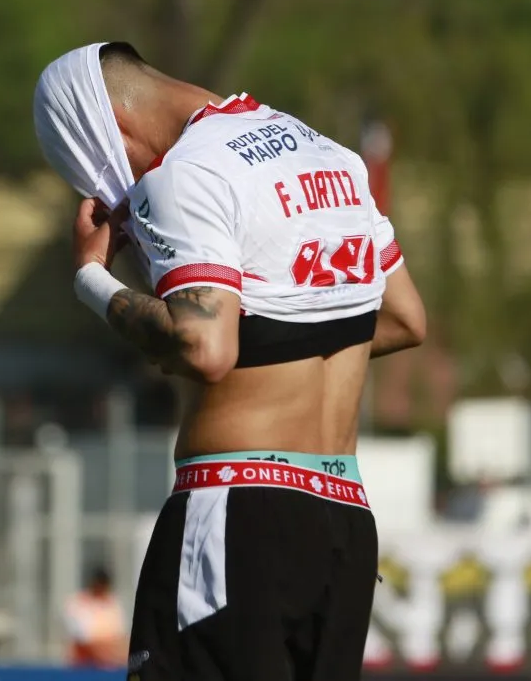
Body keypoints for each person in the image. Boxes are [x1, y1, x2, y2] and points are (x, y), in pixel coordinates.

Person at [33, 42, 426, 681]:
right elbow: (404, 318)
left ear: (113, 127)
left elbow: (205, 347)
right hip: (343, 524)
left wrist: (91, 278)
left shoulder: (185, 175)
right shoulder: (330, 155)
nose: (115, 188)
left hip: (235, 513)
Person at [64, 566, 129, 668]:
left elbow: (121, 639)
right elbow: (83, 641)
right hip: (83, 667)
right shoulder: (77, 603)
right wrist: (106, 654)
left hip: (110, 666)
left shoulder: (113, 604)